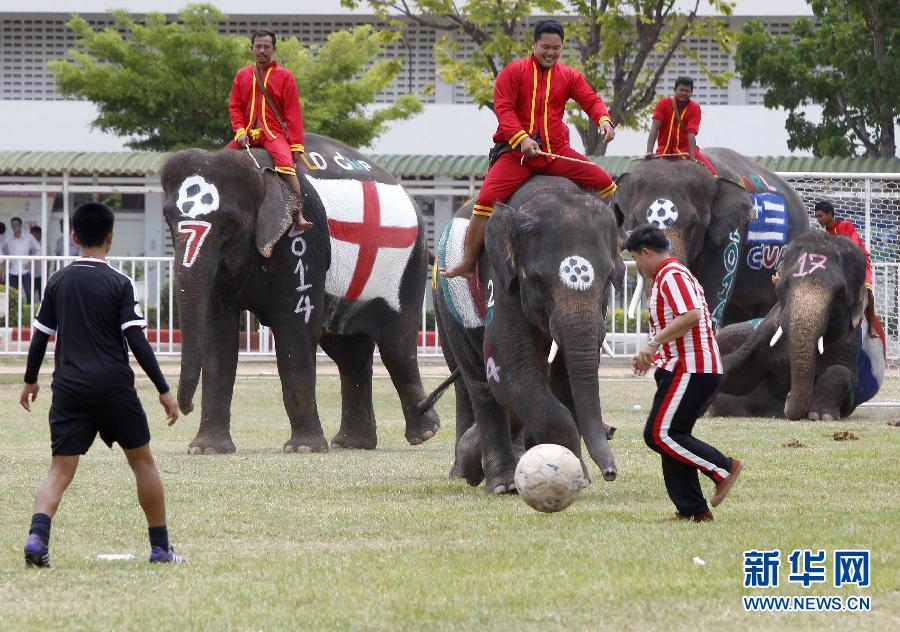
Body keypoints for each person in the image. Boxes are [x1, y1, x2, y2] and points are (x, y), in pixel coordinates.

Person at [20, 202, 184, 568]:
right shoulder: (120, 282)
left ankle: (37, 537)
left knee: (59, 470)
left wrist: (30, 380)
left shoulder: (58, 281)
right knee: (142, 462)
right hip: (113, 387)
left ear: (75, 236)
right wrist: (162, 387)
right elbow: (137, 341)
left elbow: (40, 336)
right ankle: (160, 549)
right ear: (110, 238)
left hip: (70, 387)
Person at [441, 19, 617, 279]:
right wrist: (522, 139)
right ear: (533, 44)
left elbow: (590, 99)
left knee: (606, 184)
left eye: (556, 48)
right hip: (516, 156)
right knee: (486, 200)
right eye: (545, 46)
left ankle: (609, 243)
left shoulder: (569, 76)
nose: (551, 53)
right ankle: (468, 263)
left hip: (556, 152)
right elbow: (504, 111)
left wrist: (603, 118)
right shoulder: (512, 73)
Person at [627, 224, 741, 522]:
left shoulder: (671, 275)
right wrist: (652, 354)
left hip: (693, 368)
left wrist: (652, 344)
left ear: (646, 252)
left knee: (659, 435)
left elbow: (690, 315)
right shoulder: (668, 275)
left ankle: (723, 468)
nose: (636, 265)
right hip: (684, 367)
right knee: (674, 436)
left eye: (636, 258)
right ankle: (695, 511)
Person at [226, 29, 311, 232]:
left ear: (274, 49)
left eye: (266, 47)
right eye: (258, 46)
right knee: (221, 160)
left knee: (286, 166)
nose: (262, 50)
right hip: (246, 134)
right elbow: (235, 107)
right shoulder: (242, 75)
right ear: (252, 48)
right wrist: (239, 131)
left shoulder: (285, 76)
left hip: (272, 134)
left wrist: (296, 146)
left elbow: (293, 113)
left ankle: (298, 215)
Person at [813, 200, 878, 337]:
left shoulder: (846, 226)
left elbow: (853, 247)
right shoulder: (826, 234)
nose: (818, 219)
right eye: (816, 217)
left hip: (859, 262)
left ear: (830, 214)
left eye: (820, 216)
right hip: (841, 266)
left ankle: (871, 328)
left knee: (867, 289)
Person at [645, 77, 717, 176]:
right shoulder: (663, 104)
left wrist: (692, 159)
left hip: (686, 151)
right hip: (663, 151)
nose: (684, 93)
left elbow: (691, 134)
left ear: (691, 93)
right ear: (675, 90)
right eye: (681, 90)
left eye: (687, 91)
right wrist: (649, 152)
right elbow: (654, 128)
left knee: (713, 175)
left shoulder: (695, 108)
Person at [2, 217, 40, 303]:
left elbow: (39, 249)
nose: (15, 227)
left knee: (29, 293)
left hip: (25, 270)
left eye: (17, 225)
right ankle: (16, 314)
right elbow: (1, 249)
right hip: (12, 271)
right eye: (13, 225)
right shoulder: (8, 238)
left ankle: (30, 313)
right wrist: (6, 259)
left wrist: (32, 261)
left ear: (20, 225)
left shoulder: (28, 237)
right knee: (13, 295)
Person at [30, 225, 43, 301]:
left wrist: (46, 272)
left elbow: (47, 261)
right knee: (31, 294)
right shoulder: (30, 244)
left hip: (41, 273)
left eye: (34, 234)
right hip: (31, 273)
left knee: (41, 294)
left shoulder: (44, 244)